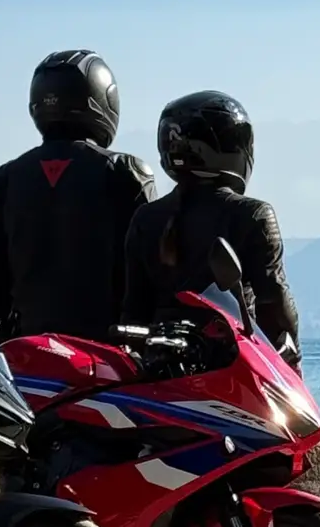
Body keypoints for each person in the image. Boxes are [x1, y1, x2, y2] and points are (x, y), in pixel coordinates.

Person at [0, 50, 156, 341]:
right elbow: (150, 271)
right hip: (108, 354)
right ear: (102, 99)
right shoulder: (125, 171)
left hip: (28, 352)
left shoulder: (5, 178)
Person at [122, 90, 301, 362]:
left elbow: (133, 310)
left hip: (158, 374)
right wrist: (294, 371)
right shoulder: (252, 215)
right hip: (232, 372)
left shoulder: (145, 218)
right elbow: (276, 308)